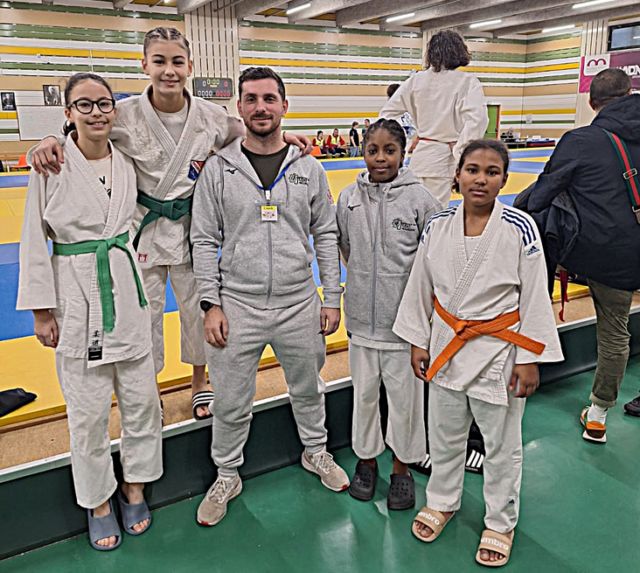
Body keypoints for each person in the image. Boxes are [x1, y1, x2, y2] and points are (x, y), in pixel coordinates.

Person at [29, 27, 309, 421]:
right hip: (142, 229)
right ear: (144, 64)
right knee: (144, 315)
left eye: (177, 61)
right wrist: (49, 138)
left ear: (190, 66)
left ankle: (199, 382)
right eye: (159, 61)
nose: (169, 70)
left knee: (200, 310)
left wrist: (286, 135)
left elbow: (248, 134)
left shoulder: (211, 117)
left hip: (192, 227)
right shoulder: (123, 113)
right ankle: (150, 388)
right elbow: (83, 130)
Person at [190, 66, 349, 527]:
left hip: (299, 302)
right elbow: (203, 238)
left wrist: (331, 297)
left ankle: (315, 452)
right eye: (251, 99)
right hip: (237, 305)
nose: (261, 107)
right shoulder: (219, 169)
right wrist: (210, 303)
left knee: (309, 386)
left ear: (284, 105)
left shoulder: (309, 168)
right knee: (230, 399)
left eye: (269, 99)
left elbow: (325, 233)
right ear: (239, 108)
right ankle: (227, 474)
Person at [393, 140, 563, 567]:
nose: (481, 179)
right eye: (472, 170)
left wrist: (530, 357)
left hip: (499, 351)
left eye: (491, 172)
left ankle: (501, 521)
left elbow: (534, 294)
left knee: (501, 446)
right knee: (444, 436)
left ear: (504, 179)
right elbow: (420, 284)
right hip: (446, 344)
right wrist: (417, 338)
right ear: (458, 175)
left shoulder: (520, 227)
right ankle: (443, 500)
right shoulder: (438, 224)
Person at [17, 73, 162, 551]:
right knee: (87, 413)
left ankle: (134, 486)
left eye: (104, 103)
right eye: (84, 104)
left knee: (142, 403)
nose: (96, 112)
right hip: (75, 294)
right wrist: (42, 311)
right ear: (68, 112)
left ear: (114, 110)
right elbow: (33, 240)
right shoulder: (51, 165)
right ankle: (98, 501)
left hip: (125, 284)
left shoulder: (127, 160)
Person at [524, 68, 640, 436]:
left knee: (613, 331)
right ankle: (601, 412)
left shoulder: (581, 141)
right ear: (630, 93)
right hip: (629, 250)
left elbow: (541, 195)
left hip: (603, 253)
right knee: (616, 332)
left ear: (591, 102)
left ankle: (526, 373)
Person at [336, 119, 438, 509]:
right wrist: (364, 283)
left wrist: (420, 319)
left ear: (403, 152)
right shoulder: (348, 198)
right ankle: (366, 462)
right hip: (362, 323)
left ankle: (401, 468)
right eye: (373, 150)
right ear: (363, 152)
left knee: (405, 404)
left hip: (404, 329)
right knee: (363, 398)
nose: (380, 158)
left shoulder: (421, 200)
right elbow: (345, 248)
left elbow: (431, 262)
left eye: (389, 150)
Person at [380, 30, 488, 210]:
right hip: (443, 158)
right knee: (435, 215)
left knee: (409, 211)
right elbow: (478, 120)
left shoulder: (415, 80)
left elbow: (386, 115)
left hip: (419, 158)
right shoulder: (467, 81)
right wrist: (461, 151)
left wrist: (405, 143)